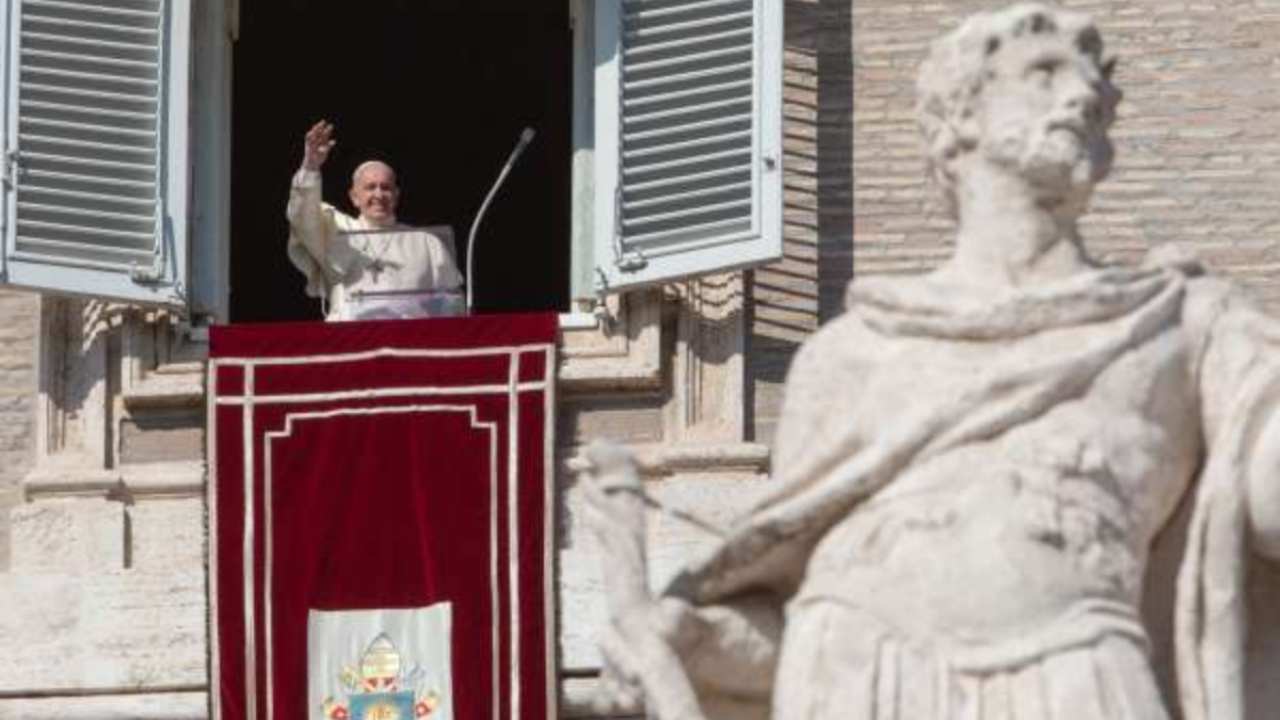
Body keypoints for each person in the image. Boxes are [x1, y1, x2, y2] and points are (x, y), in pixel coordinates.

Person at [580, 4, 1280, 719]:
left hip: (1072, 682)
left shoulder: (1178, 326)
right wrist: (697, 639)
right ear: (960, 114)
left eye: (1093, 86)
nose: (1081, 95)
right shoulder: (847, 356)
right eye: (1043, 74)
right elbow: (791, 621)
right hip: (852, 680)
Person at [286, 120, 464, 321]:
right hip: (349, 341)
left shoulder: (425, 243)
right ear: (354, 197)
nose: (379, 194)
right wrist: (310, 166)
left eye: (385, 187)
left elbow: (452, 304)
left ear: (396, 195)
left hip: (409, 342)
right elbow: (301, 216)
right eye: (370, 187)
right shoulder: (334, 230)